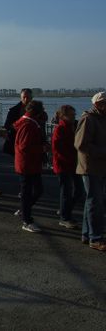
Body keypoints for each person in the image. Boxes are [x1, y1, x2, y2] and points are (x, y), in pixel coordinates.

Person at [74, 92, 106, 251]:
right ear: (99, 104)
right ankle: (95, 237)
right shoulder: (89, 119)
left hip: (98, 167)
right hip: (91, 167)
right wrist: (103, 152)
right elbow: (80, 144)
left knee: (92, 201)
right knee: (95, 202)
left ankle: (88, 235)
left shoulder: (100, 119)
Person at [14, 100, 49, 232]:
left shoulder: (27, 123)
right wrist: (42, 148)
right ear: (37, 112)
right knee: (28, 192)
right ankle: (26, 220)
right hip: (27, 163)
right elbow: (25, 147)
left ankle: (24, 211)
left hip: (29, 163)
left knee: (33, 191)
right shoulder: (28, 125)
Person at [52, 105, 84, 229]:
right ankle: (65, 217)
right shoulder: (60, 129)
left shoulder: (72, 126)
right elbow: (57, 149)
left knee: (78, 191)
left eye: (73, 115)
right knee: (66, 191)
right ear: (63, 116)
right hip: (64, 164)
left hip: (73, 163)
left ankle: (65, 210)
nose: (73, 117)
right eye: (71, 115)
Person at [3, 88, 33, 155]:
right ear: (21, 98)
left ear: (31, 98)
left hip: (31, 142)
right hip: (16, 141)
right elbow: (7, 125)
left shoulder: (37, 111)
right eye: (24, 97)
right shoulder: (13, 110)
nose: (26, 99)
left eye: (28, 97)